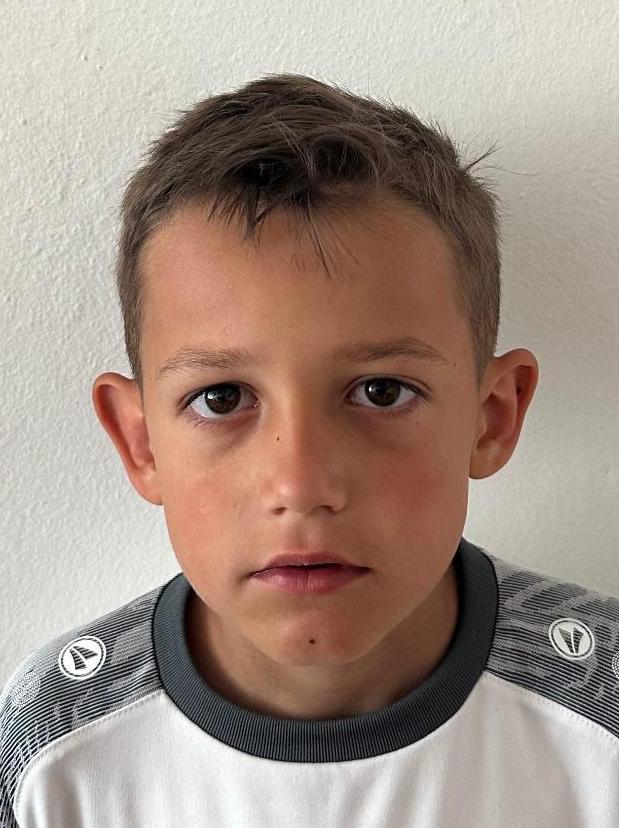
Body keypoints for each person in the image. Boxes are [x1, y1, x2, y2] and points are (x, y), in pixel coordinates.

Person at [1, 72, 616, 827]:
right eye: (221, 398)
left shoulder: (602, 711)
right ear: (141, 441)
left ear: (491, 418)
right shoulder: (54, 749)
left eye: (381, 392)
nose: (299, 484)